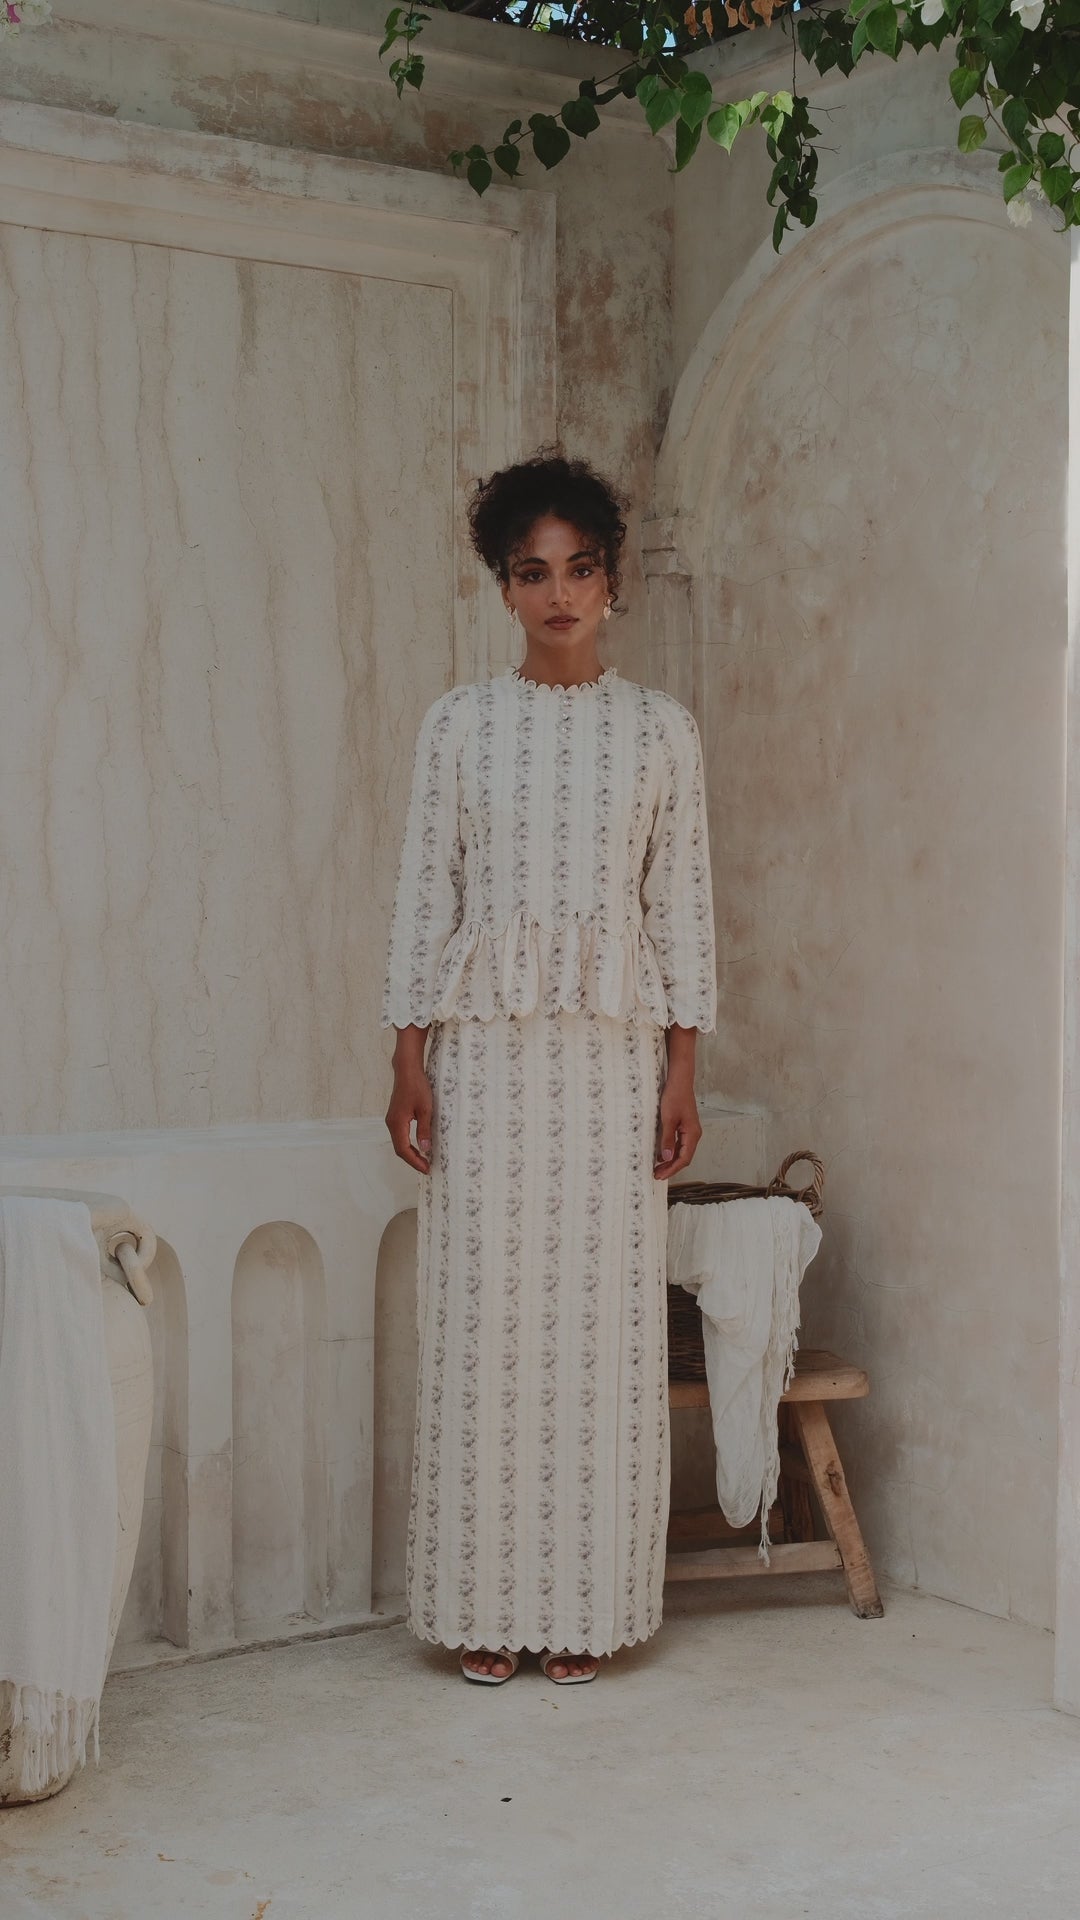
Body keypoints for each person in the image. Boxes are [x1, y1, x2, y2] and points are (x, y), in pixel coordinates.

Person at [380, 451, 717, 1686]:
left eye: (580, 570)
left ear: (612, 579)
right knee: (486, 1324)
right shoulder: (460, 724)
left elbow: (681, 907)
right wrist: (407, 1059)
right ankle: (484, 1603)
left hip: (615, 1065)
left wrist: (682, 1072)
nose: (559, 594)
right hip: (484, 1064)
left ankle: (583, 1609)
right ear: (504, 587)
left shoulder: (660, 730)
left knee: (598, 1333)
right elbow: (427, 895)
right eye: (534, 573)